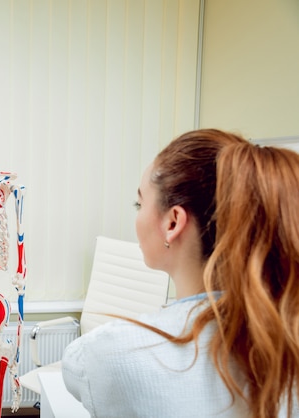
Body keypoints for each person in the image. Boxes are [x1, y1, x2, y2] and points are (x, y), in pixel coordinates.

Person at [62, 129, 299, 417]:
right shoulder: (287, 341)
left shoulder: (111, 354)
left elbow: (78, 367)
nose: (137, 215)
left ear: (173, 223)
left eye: (140, 203)